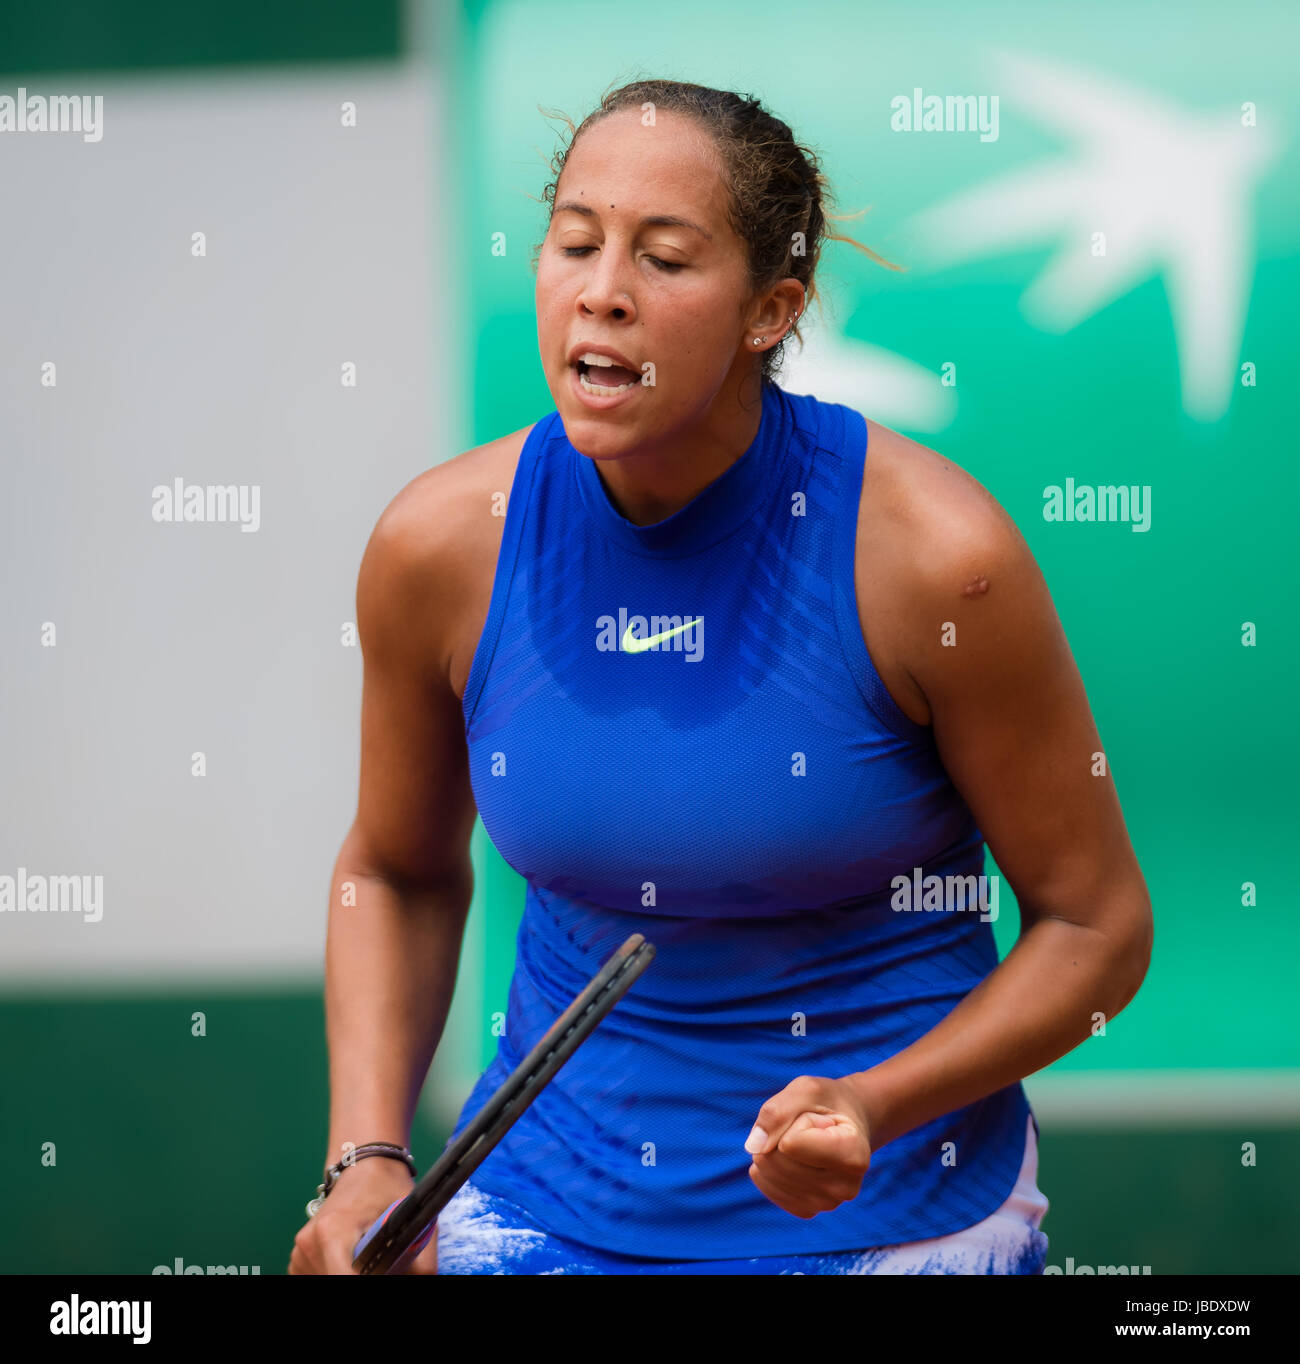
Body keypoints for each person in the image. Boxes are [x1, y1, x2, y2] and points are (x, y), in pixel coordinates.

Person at [289, 78, 1152, 1276]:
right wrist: (365, 1154)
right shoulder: (438, 546)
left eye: (664, 257)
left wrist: (873, 1104)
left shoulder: (938, 559)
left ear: (770, 310)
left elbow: (1098, 928)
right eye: (575, 241)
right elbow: (395, 868)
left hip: (897, 1221)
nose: (601, 290)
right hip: (536, 1208)